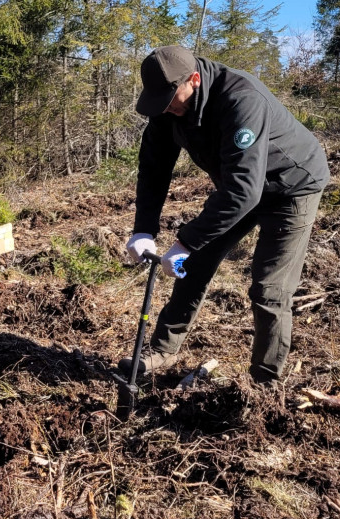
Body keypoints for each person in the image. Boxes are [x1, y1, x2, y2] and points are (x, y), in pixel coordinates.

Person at [122, 45, 329, 386]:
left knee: (269, 289)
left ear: (195, 79)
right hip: (240, 184)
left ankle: (264, 384)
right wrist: (144, 229)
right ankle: (162, 350)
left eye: (172, 97)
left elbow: (243, 192)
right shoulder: (167, 105)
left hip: (292, 186)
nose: (167, 107)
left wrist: (185, 240)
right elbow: (153, 169)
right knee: (196, 262)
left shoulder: (241, 100)